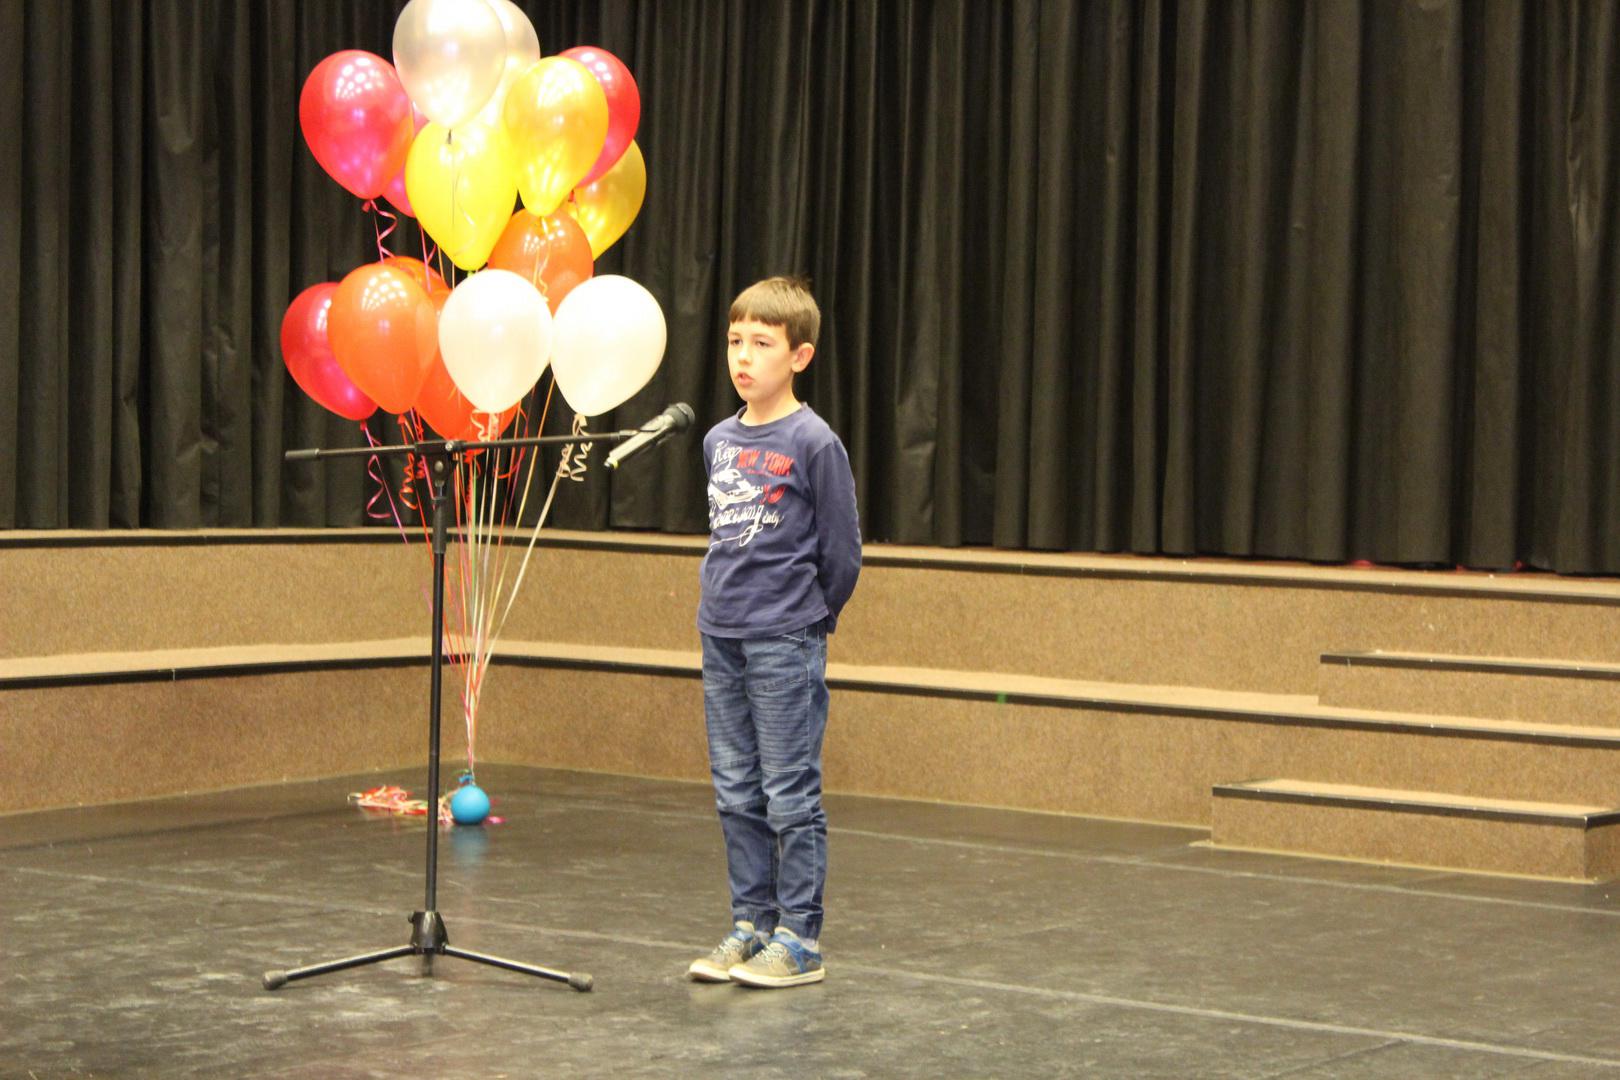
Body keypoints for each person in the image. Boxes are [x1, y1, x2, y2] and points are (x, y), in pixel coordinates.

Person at [686, 276, 862, 989]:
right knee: (736, 788)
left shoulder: (814, 442)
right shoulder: (718, 440)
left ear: (799, 356)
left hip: (785, 637)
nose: (743, 356)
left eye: (762, 343)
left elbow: (842, 551)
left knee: (789, 791)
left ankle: (799, 938)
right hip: (721, 633)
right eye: (735, 341)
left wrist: (812, 617)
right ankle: (750, 923)